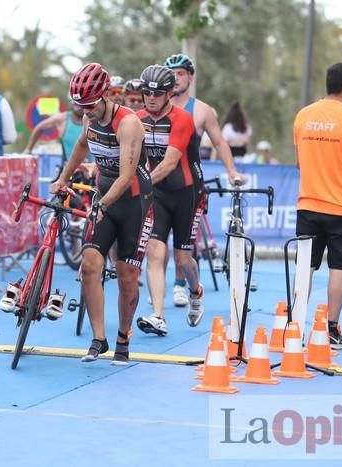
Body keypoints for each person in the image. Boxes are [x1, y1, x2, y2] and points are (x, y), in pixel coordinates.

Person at [51, 62, 153, 365]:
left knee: (126, 276)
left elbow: (125, 176)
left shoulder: (129, 123)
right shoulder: (88, 119)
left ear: (104, 95)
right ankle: (99, 338)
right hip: (106, 197)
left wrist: (101, 205)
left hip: (135, 201)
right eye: (79, 106)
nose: (85, 111)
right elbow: (81, 147)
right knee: (91, 265)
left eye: (90, 104)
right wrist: (63, 178)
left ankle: (123, 336)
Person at [293, 62, 342, 350]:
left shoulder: (303, 116)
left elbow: (300, 162)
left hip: (309, 203)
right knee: (339, 267)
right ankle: (332, 329)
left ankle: (296, 326)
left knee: (306, 267)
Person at [164, 53, 244, 307]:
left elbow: (220, 142)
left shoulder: (201, 110)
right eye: (171, 74)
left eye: (180, 74)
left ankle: (180, 284)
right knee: (155, 243)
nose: (175, 79)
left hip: (188, 184)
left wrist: (231, 171)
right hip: (158, 182)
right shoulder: (157, 105)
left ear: (190, 77)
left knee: (181, 243)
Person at [135, 65, 206, 336]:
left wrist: (135, 186)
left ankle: (195, 292)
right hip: (158, 193)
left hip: (187, 193)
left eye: (157, 93)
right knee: (154, 251)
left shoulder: (182, 119)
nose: (150, 98)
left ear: (168, 94)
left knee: (182, 260)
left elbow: (169, 163)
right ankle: (158, 316)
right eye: (146, 93)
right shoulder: (138, 118)